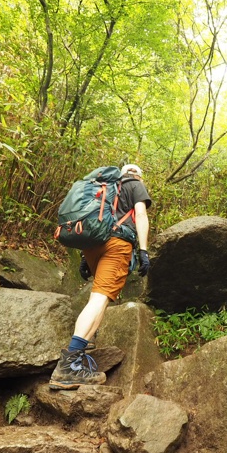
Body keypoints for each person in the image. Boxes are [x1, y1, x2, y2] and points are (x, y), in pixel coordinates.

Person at [49, 163, 152, 390]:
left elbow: (99, 219)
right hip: (116, 246)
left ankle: (81, 352)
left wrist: (86, 258)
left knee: (99, 299)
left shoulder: (108, 186)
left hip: (93, 246)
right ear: (138, 175)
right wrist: (143, 250)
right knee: (99, 300)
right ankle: (69, 366)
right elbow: (141, 215)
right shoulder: (135, 184)